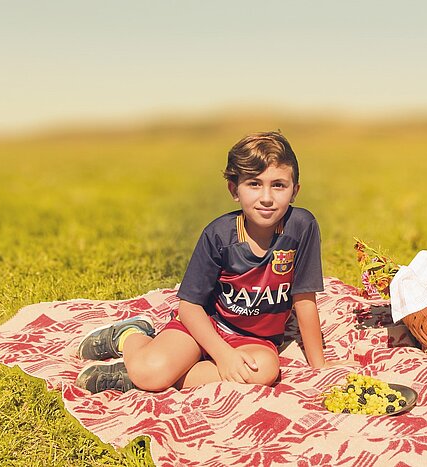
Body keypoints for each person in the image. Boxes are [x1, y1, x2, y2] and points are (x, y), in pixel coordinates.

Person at [75, 131, 345, 393]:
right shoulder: (218, 234)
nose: (266, 197)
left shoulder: (302, 227)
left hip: (255, 339)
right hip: (205, 325)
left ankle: (138, 377)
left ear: (294, 191)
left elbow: (304, 297)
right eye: (254, 183)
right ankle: (130, 335)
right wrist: (222, 354)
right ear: (234, 189)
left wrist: (319, 364)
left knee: (265, 371)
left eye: (278, 185)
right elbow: (190, 306)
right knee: (150, 370)